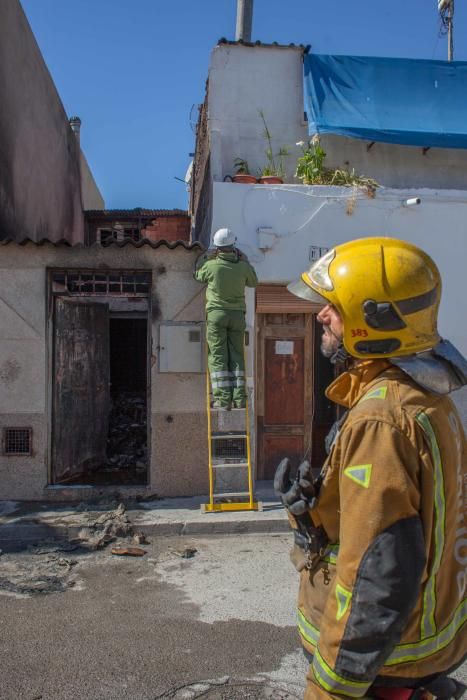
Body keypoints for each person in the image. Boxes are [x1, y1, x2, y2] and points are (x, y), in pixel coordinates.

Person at [275, 237, 467, 699]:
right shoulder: (428, 399)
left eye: (334, 306)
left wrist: (331, 690)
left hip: (385, 662)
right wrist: (314, 516)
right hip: (420, 639)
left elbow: (377, 573)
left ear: (372, 320)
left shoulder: (382, 418)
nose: (321, 314)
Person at [194, 227, 258, 410]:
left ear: (217, 247)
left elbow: (197, 275)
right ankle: (240, 399)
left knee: (218, 356)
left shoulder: (211, 265)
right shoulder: (243, 267)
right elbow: (253, 282)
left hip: (216, 315)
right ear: (234, 246)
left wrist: (205, 257)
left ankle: (222, 399)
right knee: (237, 356)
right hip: (237, 315)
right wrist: (245, 260)